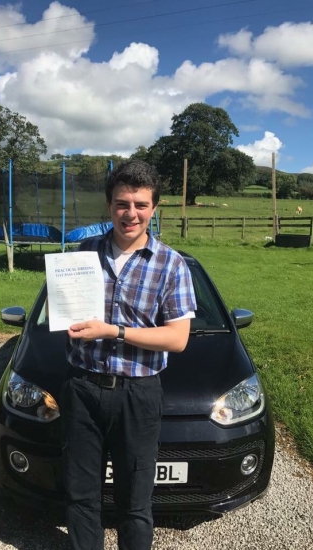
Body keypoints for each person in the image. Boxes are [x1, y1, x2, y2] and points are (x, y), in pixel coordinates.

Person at [60, 159, 197, 550]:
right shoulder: (82, 255)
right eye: (122, 203)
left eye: (140, 204)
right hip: (82, 387)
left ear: (154, 208)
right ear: (109, 206)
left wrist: (112, 331)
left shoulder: (171, 264)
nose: (130, 213)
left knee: (135, 500)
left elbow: (177, 339)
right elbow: (64, 313)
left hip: (138, 393)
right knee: (81, 494)